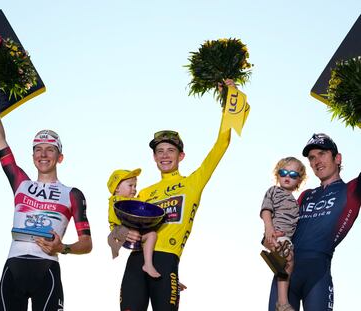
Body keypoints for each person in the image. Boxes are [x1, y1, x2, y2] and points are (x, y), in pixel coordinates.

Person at [119, 79, 241, 310]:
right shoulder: (143, 192)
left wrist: (227, 98)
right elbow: (122, 228)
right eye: (160, 151)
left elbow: (222, 143)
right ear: (154, 158)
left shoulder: (193, 182)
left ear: (181, 156)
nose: (165, 156)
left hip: (167, 260)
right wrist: (125, 234)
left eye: (171, 151)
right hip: (136, 262)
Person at [0, 74, 92, 311]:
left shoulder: (72, 194)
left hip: (47, 268)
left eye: (50, 150)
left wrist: (61, 248)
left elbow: (86, 243)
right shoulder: (20, 182)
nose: (43, 154)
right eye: (38, 150)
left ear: (59, 157)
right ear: (33, 156)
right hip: (14, 266)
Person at [268, 133, 361, 311]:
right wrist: (271, 237)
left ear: (337, 158)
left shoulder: (352, 190)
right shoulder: (305, 196)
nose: (317, 160)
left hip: (317, 275)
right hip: (285, 275)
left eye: (322, 153)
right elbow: (283, 227)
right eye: (312, 157)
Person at [260, 157, 307, 311]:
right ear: (277, 175)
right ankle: (283, 303)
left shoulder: (295, 203)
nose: (287, 177)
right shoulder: (273, 191)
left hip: (286, 238)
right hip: (274, 234)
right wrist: (269, 228)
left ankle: (282, 302)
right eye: (283, 173)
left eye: (293, 175)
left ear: (299, 181)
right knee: (287, 258)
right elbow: (266, 210)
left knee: (288, 263)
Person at [107, 168, 161, 278]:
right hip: (121, 233)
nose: (134, 189)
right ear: (117, 188)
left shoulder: (134, 201)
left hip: (135, 236)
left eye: (135, 186)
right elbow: (117, 219)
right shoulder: (116, 199)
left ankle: (148, 264)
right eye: (130, 186)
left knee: (152, 235)